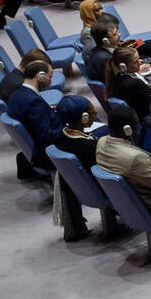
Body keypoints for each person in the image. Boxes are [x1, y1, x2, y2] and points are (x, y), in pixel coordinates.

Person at [52, 95, 103, 241]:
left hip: (79, 187)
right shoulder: (86, 146)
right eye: (93, 113)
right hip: (101, 188)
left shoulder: (61, 136)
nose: (95, 114)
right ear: (84, 118)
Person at [7, 61, 63, 179]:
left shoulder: (16, 94)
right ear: (40, 76)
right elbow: (46, 135)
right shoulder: (33, 101)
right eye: (50, 77)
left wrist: (47, 110)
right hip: (48, 151)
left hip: (38, 144)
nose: (51, 81)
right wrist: (70, 129)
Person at [106, 46, 151, 121]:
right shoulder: (134, 83)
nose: (140, 62)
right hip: (148, 114)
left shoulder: (118, 77)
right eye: (135, 61)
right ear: (123, 66)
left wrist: (150, 86)